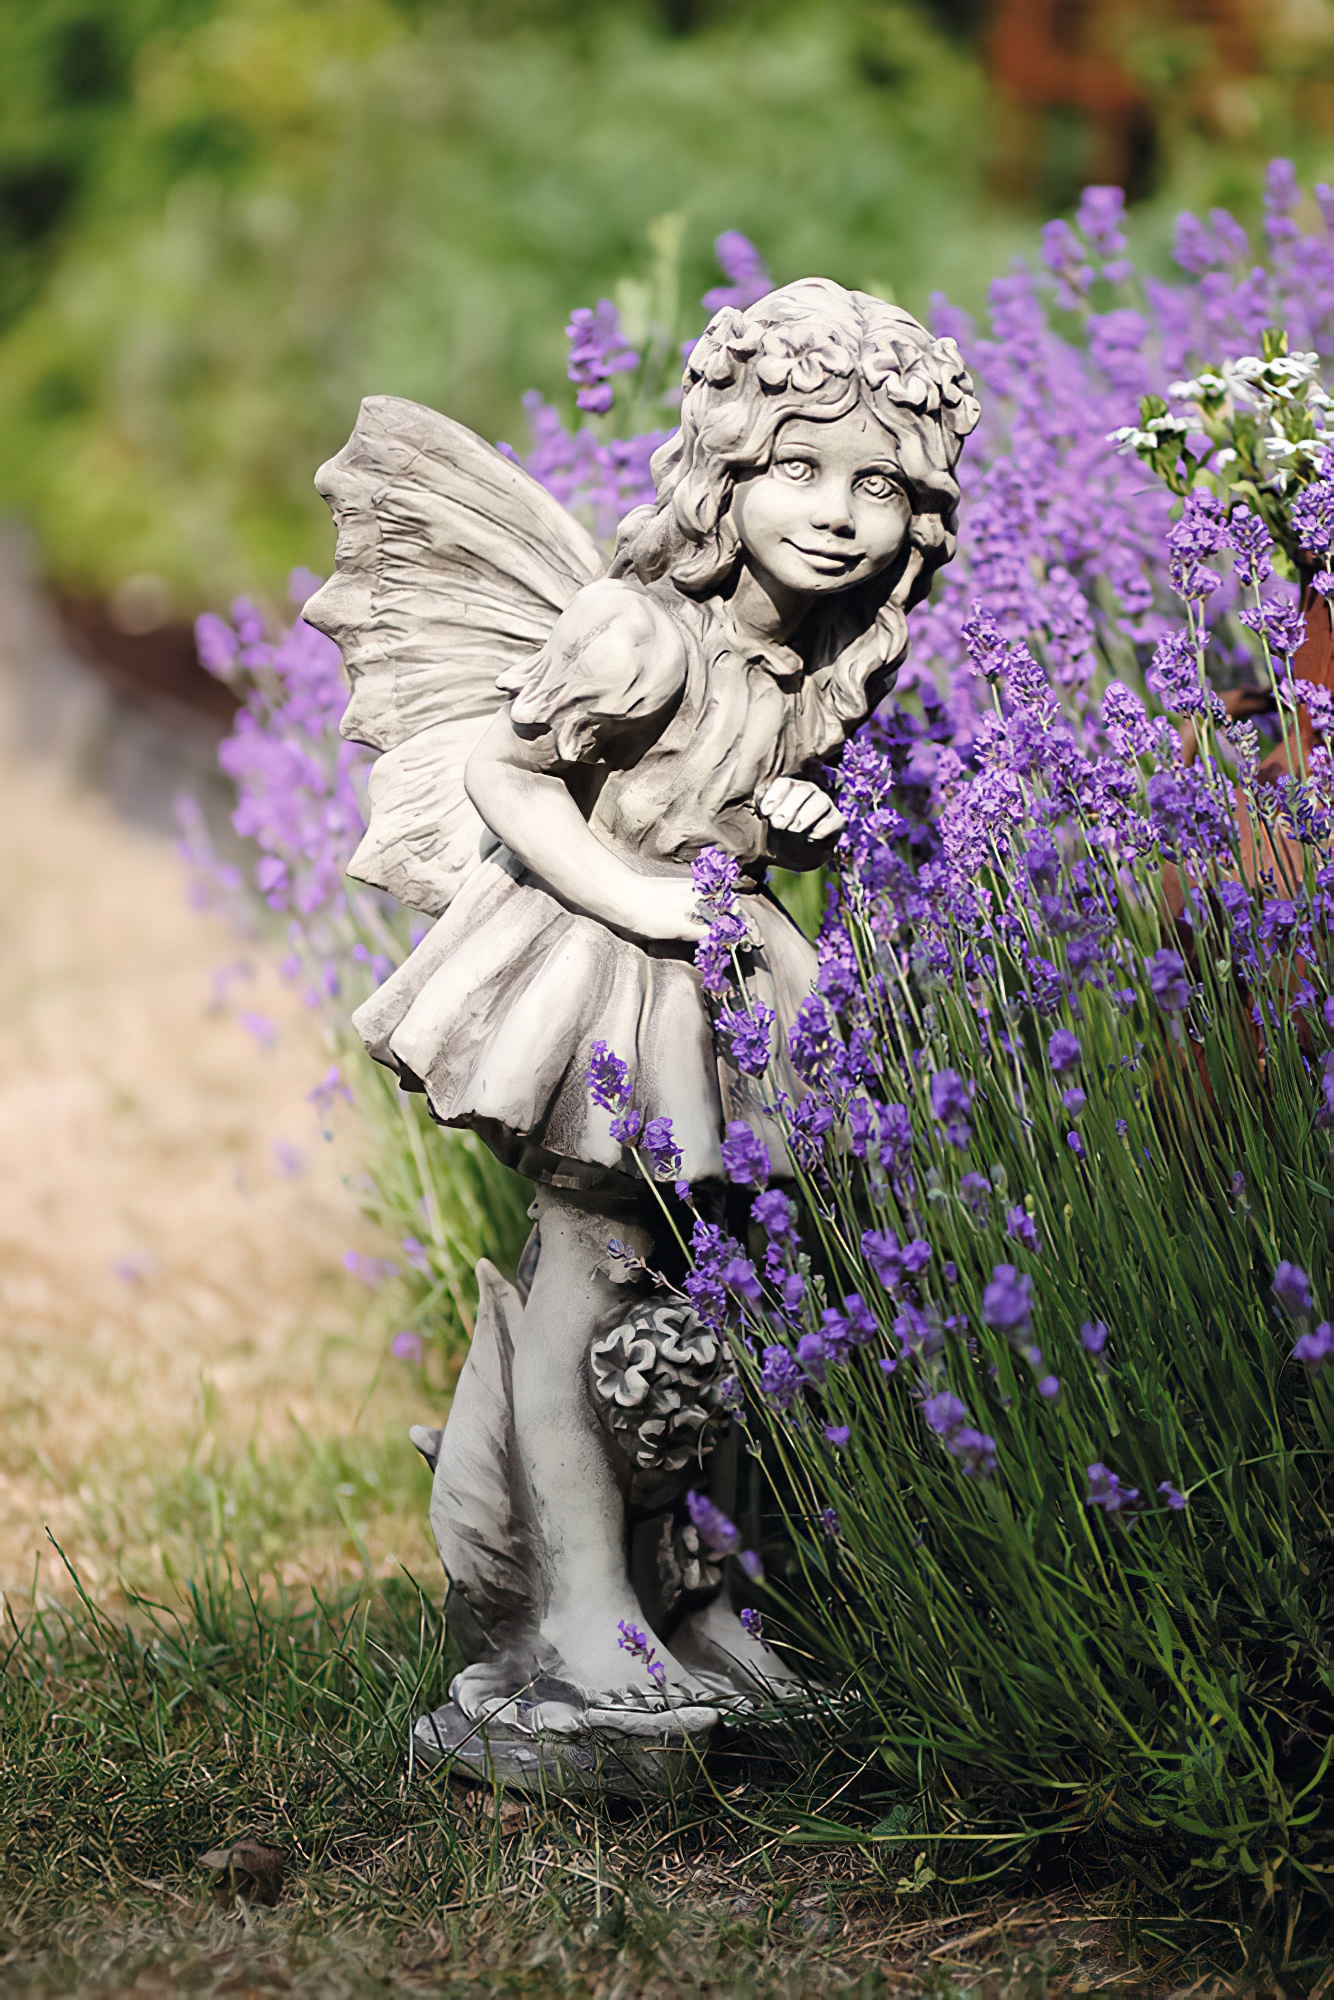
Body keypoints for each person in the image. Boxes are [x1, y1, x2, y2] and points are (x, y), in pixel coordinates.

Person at [309, 278, 978, 1742]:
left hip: (724, 970)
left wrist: (787, 832)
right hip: (609, 971)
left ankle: (704, 1598)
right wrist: (628, 890)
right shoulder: (636, 632)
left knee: (730, 1288)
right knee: (593, 1276)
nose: (836, 514)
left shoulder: (806, 659)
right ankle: (578, 1611)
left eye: (877, 485)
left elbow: (731, 808)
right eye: (797, 467)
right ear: (726, 467)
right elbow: (504, 773)